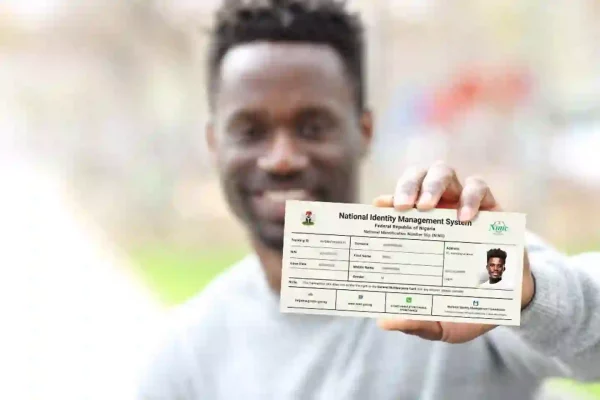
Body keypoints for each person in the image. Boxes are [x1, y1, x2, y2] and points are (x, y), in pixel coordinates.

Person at [136, 1, 600, 399]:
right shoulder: (186, 355)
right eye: (250, 131)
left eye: (313, 126)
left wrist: (526, 295)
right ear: (214, 143)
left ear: (364, 131)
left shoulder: (464, 269)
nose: (282, 158)